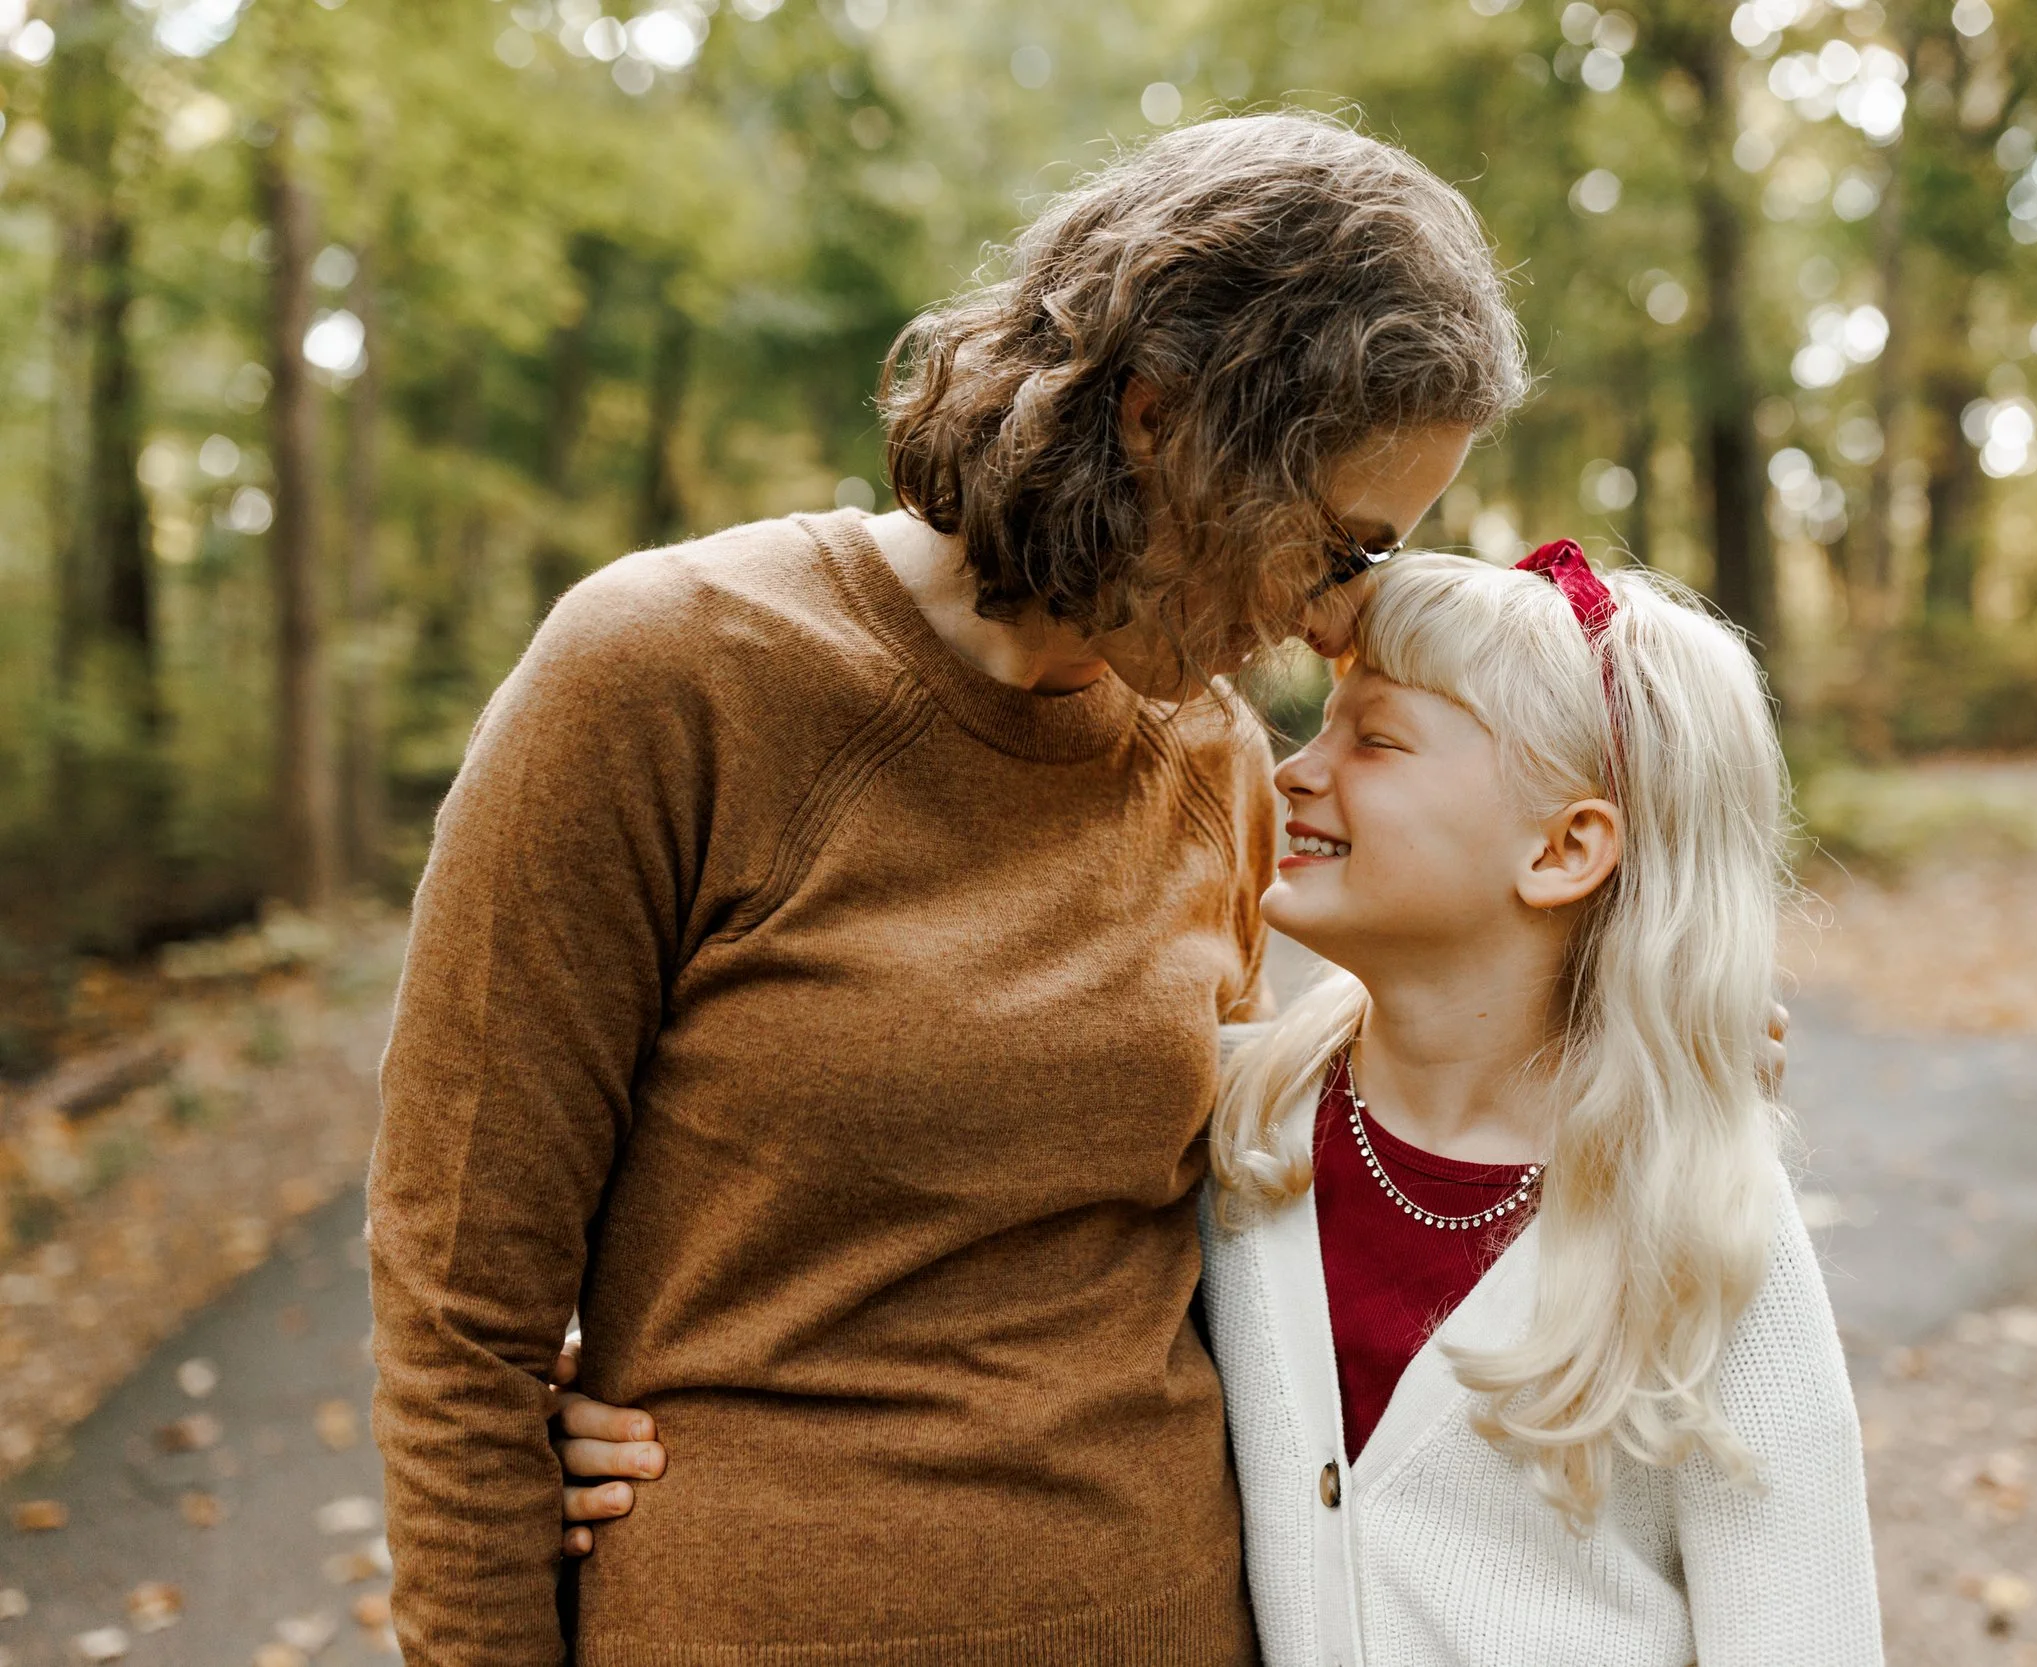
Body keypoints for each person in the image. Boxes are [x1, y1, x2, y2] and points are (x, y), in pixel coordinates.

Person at [366, 111, 1528, 1667]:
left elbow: (1248, 1245)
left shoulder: (1218, 760)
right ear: (1157, 418)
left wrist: (1599, 1046)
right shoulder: (665, 675)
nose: (1335, 625)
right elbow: (457, 1314)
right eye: (1335, 546)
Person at [558, 545, 1866, 1666]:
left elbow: (1802, 1628)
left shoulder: (1704, 1221)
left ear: (1565, 847)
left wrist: (1671, 1066)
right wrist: (616, 1384)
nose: (1292, 770)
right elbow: (954, 1241)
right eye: (1321, 722)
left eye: (1380, 739)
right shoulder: (1232, 1129)